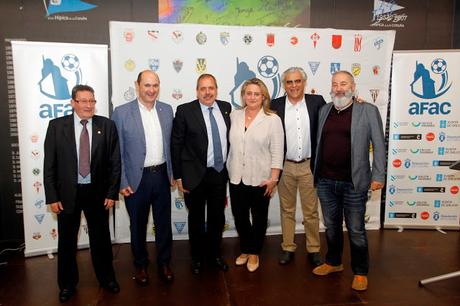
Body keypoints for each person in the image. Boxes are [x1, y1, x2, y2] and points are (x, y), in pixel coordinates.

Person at [43, 84, 121, 303]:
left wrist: (112, 192)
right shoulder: (57, 126)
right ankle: (67, 285)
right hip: (67, 194)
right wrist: (52, 196)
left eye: (92, 101)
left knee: (101, 240)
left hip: (98, 193)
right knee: (67, 242)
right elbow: (49, 164)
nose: (88, 105)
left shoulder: (107, 126)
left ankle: (107, 279)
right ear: (73, 103)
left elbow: (115, 162)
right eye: (83, 101)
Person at [312, 71, 385, 291]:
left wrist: (378, 175)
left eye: (343, 83)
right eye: (335, 84)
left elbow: (379, 145)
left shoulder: (368, 110)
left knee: (355, 229)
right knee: (332, 227)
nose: (339, 88)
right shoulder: (324, 110)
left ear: (353, 86)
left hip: (355, 183)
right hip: (325, 181)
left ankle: (361, 272)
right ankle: (334, 262)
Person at [112, 70, 174, 285]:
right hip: (136, 180)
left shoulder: (167, 110)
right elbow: (117, 151)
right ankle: (140, 265)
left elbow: (171, 146)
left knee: (163, 224)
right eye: (147, 85)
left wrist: (173, 174)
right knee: (137, 226)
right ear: (137, 85)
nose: (151, 90)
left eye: (155, 85)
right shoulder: (121, 113)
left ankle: (164, 263)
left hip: (162, 176)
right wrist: (122, 181)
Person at [171, 73, 231, 274]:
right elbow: (176, 144)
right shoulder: (185, 110)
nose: (207, 92)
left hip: (218, 174)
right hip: (193, 175)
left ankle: (215, 255)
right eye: (203, 88)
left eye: (211, 88)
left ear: (216, 89)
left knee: (217, 218)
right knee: (196, 219)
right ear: (197, 91)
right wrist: (178, 176)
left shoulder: (225, 108)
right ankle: (196, 258)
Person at [227, 78, 284, 272]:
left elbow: (277, 151)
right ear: (243, 95)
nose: (252, 97)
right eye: (248, 93)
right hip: (236, 176)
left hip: (261, 178)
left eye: (256, 94)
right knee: (240, 216)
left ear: (264, 97)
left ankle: (254, 253)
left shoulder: (272, 119)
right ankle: (245, 248)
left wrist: (274, 179)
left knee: (259, 217)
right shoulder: (234, 115)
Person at [271, 67, 325, 267]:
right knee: (287, 210)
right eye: (289, 82)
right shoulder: (275, 105)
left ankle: (314, 249)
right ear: (284, 85)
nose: (293, 86)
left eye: (297, 81)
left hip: (309, 166)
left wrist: (356, 103)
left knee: (311, 212)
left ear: (304, 82)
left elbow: (334, 116)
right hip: (284, 166)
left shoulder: (317, 102)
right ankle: (288, 247)